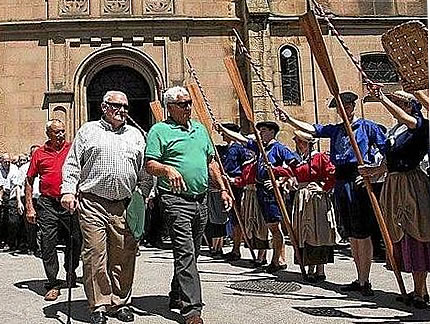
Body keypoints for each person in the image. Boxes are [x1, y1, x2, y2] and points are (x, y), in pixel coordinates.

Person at [281, 91, 386, 296]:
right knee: (352, 235)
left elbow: (386, 149)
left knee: (362, 233)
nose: (342, 110)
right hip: (342, 181)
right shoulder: (337, 130)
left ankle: (366, 279)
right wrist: (290, 119)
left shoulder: (367, 127)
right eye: (339, 108)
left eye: (345, 107)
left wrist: (375, 171)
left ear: (352, 106)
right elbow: (313, 129)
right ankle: (359, 277)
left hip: (358, 179)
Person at [145, 86, 232, 324]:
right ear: (170, 107)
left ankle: (177, 294)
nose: (188, 107)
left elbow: (211, 162)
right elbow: (150, 163)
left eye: (189, 102)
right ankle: (192, 309)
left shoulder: (200, 129)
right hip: (174, 200)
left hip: (201, 199)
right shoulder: (159, 131)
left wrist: (223, 189)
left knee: (191, 252)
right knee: (185, 252)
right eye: (182, 103)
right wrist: (166, 169)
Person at [61, 90, 150, 324]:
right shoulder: (88, 131)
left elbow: (144, 172)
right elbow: (72, 164)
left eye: (126, 107)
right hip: (92, 202)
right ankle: (99, 304)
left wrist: (143, 197)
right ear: (103, 106)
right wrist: (68, 191)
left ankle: (120, 302)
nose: (122, 111)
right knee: (94, 254)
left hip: (124, 204)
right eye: (116, 106)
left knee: (123, 254)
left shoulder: (136, 135)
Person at [360, 89, 430, 308]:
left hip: (411, 184)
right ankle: (420, 290)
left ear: (410, 105)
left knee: (415, 232)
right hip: (393, 185)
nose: (394, 105)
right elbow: (386, 164)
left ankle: (419, 291)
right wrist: (370, 171)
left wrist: (381, 97)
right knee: (399, 235)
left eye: (398, 102)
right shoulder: (395, 132)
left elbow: (403, 117)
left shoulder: (419, 125)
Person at [218, 121, 300, 273]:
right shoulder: (260, 148)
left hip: (271, 192)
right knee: (269, 226)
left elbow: (295, 166)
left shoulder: (279, 148)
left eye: (263, 130)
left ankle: (277, 260)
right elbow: (242, 140)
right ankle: (272, 259)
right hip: (261, 190)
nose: (260, 133)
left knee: (275, 227)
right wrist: (223, 129)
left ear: (271, 132)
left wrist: (279, 180)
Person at [26, 120, 81, 301]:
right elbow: (29, 180)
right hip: (47, 203)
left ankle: (70, 270)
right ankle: (53, 283)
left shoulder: (72, 149)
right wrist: (29, 207)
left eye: (63, 131)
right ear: (48, 133)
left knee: (75, 239)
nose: (61, 135)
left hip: (69, 201)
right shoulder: (39, 153)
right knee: (48, 243)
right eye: (57, 132)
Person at [280, 130, 336, 282]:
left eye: (300, 141)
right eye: (296, 141)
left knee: (318, 231)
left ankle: (320, 269)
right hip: (301, 198)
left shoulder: (319, 157)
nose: (298, 144)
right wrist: (271, 169)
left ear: (308, 143)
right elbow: (288, 171)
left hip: (315, 199)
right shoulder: (299, 160)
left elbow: (332, 172)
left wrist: (323, 188)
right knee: (305, 231)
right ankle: (310, 267)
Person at [218, 123, 251, 261]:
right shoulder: (226, 149)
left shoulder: (239, 149)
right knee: (232, 217)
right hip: (227, 184)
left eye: (224, 132)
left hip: (236, 186)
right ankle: (234, 248)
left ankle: (237, 248)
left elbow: (247, 168)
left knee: (238, 218)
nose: (221, 135)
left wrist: (237, 180)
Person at [17, 145, 41, 255]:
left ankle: (40, 248)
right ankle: (32, 246)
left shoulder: (44, 165)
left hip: (42, 198)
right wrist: (19, 202)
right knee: (30, 225)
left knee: (42, 225)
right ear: (31, 155)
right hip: (29, 198)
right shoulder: (24, 168)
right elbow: (18, 186)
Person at [0, 153, 21, 251]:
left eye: (9, 162)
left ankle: (11, 242)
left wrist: (18, 201)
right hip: (1, 196)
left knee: (12, 221)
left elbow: (17, 186)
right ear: (1, 161)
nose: (7, 164)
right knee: (1, 220)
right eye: (5, 162)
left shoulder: (14, 169)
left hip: (11, 196)